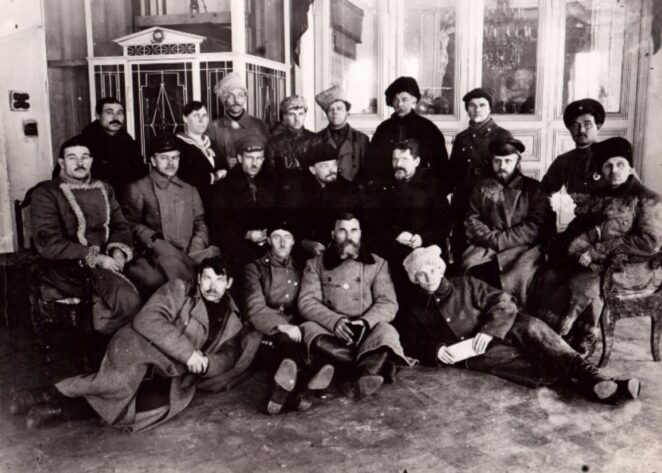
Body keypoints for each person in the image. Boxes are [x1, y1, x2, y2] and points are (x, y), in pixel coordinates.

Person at [9, 256, 260, 431]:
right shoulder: (179, 290)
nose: (212, 286)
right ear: (199, 278)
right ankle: (46, 395)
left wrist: (206, 364)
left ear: (229, 283)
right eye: (206, 278)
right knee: (117, 385)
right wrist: (189, 354)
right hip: (141, 347)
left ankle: (57, 409)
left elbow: (229, 354)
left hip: (173, 372)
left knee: (144, 408)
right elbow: (148, 319)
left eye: (219, 279)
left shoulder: (233, 321)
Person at [399, 245, 641, 404]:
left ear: (441, 268)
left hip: (504, 328)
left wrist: (489, 330)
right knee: (537, 363)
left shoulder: (465, 284)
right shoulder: (415, 310)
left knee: (536, 331)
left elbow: (502, 301)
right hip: (479, 354)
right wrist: (435, 351)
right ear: (414, 280)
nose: (428, 277)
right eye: (421, 274)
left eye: (432, 270)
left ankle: (594, 377)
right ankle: (605, 387)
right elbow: (409, 342)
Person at [535, 137, 662, 355]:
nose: (614, 171)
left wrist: (599, 251)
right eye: (608, 166)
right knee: (551, 275)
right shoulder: (602, 194)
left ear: (631, 168)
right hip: (599, 260)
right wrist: (564, 245)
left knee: (582, 285)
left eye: (620, 164)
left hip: (633, 266)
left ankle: (585, 336)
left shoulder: (648, 198)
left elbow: (649, 242)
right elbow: (584, 225)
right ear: (601, 170)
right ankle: (548, 335)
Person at [31, 135, 141, 335]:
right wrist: (96, 258)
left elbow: (120, 225)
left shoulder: (104, 187)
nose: (80, 163)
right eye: (72, 158)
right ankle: (104, 339)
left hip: (110, 258)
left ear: (91, 161)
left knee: (153, 282)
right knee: (128, 300)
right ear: (62, 163)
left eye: (84, 157)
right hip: (71, 265)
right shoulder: (46, 193)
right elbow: (48, 244)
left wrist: (118, 251)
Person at [298, 213, 411, 398]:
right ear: (333, 234)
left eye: (353, 230)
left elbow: (388, 302)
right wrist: (335, 321)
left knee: (387, 331)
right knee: (307, 329)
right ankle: (368, 365)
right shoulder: (315, 264)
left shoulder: (378, 263)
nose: (348, 236)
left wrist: (365, 322)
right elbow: (307, 301)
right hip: (330, 330)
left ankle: (363, 374)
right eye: (342, 230)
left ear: (360, 234)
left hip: (365, 330)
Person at [243, 222, 334, 414]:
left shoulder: (301, 268)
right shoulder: (255, 268)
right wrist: (281, 326)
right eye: (277, 237)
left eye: (287, 237)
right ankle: (300, 391)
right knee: (285, 346)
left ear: (293, 241)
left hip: (295, 325)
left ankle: (288, 391)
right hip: (265, 328)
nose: (283, 243)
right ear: (269, 241)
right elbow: (254, 306)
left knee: (312, 342)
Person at [122, 134, 220, 296]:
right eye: (164, 158)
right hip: (156, 254)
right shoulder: (139, 188)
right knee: (169, 277)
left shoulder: (189, 189)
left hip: (190, 251)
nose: (170, 163)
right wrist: (153, 241)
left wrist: (197, 244)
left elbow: (199, 221)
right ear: (153, 161)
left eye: (175, 158)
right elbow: (129, 224)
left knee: (214, 260)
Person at [462, 137, 554, 306]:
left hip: (523, 249)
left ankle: (514, 315)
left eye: (507, 161)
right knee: (472, 269)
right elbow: (472, 219)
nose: (502, 166)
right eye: (497, 161)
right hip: (486, 247)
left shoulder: (533, 188)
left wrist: (501, 241)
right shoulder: (481, 188)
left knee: (517, 277)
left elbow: (535, 226)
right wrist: (492, 239)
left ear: (518, 161)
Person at [376, 139, 452, 301]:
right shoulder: (383, 185)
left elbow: (444, 223)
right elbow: (375, 220)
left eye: (404, 159)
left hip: (425, 249)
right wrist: (396, 234)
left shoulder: (432, 186)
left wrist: (423, 237)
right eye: (395, 159)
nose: (398, 164)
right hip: (392, 248)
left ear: (417, 161)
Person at [448, 88, 513, 262]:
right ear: (467, 109)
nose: (477, 109)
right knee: (460, 240)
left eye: (482, 105)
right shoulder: (462, 138)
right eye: (472, 105)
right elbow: (452, 171)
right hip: (463, 196)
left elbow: (510, 174)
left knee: (487, 244)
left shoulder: (502, 135)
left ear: (490, 108)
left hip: (489, 199)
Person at [208, 134, 275, 270]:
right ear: (239, 158)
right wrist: (247, 235)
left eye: (259, 158)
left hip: (268, 244)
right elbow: (218, 223)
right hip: (238, 250)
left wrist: (270, 232)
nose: (254, 164)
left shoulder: (271, 183)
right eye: (249, 158)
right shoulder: (224, 187)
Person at [367, 76, 448, 185]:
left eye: (404, 99)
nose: (399, 104)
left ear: (414, 100)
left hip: (419, 189)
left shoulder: (428, 129)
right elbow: (372, 163)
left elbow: (440, 168)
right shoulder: (383, 128)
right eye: (395, 100)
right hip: (388, 189)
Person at [294, 142, 362, 259]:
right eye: (325, 166)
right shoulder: (299, 190)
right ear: (312, 170)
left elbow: (357, 224)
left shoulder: (348, 189)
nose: (332, 170)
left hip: (342, 249)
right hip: (307, 250)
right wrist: (305, 243)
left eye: (334, 164)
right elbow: (292, 223)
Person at [541, 98, 607, 202]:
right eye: (576, 125)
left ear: (598, 126)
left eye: (587, 124)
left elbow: (632, 192)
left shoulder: (611, 156)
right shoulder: (564, 161)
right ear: (570, 129)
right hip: (580, 212)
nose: (581, 130)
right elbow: (542, 192)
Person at [78, 97, 147, 195]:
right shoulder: (80, 144)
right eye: (109, 113)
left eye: (119, 113)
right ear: (98, 115)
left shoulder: (130, 145)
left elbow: (140, 177)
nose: (115, 118)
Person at [207, 72, 270, 170]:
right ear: (224, 100)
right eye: (231, 96)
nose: (236, 100)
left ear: (245, 98)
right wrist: (222, 162)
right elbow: (206, 157)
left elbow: (268, 156)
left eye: (240, 95)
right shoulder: (213, 127)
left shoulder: (259, 125)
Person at [311, 85, 369, 184]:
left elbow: (367, 172)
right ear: (326, 114)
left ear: (347, 113)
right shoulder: (316, 139)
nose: (335, 113)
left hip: (353, 191)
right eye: (331, 109)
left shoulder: (361, 139)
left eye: (339, 108)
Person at [175, 101, 226, 211]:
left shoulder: (210, 142)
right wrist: (216, 177)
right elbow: (187, 176)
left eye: (204, 115)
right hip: (194, 205)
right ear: (185, 118)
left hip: (216, 203)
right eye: (196, 116)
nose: (201, 120)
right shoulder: (179, 144)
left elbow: (224, 166)